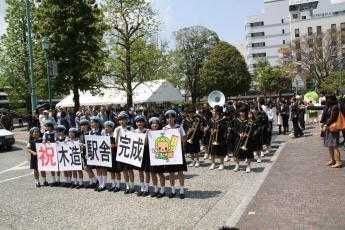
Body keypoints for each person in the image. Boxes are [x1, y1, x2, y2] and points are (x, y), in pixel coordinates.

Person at [163, 110, 187, 199]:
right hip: (169, 153)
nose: (170, 119)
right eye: (168, 118)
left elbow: (184, 138)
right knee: (171, 172)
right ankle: (173, 190)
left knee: (180, 172)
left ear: (174, 118)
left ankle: (181, 190)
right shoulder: (164, 128)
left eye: (171, 117)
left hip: (178, 152)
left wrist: (182, 144)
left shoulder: (179, 127)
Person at [114, 111, 135, 194]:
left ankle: (132, 186)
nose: (121, 121)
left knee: (130, 170)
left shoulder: (131, 128)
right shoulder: (117, 129)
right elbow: (115, 142)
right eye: (120, 120)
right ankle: (127, 186)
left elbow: (134, 139)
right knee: (124, 170)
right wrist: (118, 133)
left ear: (127, 120)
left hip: (129, 152)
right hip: (121, 152)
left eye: (123, 119)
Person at [321, 95, 342, 168]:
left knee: (334, 145)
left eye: (328, 99)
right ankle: (332, 160)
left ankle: (338, 162)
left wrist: (326, 124)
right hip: (329, 127)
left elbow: (333, 118)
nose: (327, 100)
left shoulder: (335, 107)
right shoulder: (329, 106)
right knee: (330, 145)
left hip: (333, 128)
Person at [148, 117, 166, 198]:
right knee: (152, 173)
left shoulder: (163, 132)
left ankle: (162, 190)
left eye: (156, 123)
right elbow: (145, 144)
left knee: (160, 173)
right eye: (152, 123)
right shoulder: (148, 132)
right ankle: (155, 189)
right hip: (151, 155)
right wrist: (146, 135)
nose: (154, 125)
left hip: (159, 156)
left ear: (159, 124)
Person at [232, 106, 254, 173]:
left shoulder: (249, 121)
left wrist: (248, 134)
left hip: (247, 139)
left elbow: (253, 129)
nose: (241, 113)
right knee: (237, 152)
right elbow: (234, 129)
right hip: (239, 138)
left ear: (246, 112)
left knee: (248, 152)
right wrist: (239, 133)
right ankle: (237, 165)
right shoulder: (236, 120)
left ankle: (248, 166)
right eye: (240, 112)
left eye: (243, 112)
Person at [134, 115, 151, 197]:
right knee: (140, 171)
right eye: (137, 122)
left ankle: (147, 188)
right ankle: (142, 187)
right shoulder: (134, 131)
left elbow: (148, 143)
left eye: (141, 121)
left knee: (147, 171)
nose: (139, 123)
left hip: (146, 153)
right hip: (138, 153)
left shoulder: (147, 131)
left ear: (144, 122)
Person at [79, 118, 98, 189]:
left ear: (88, 125)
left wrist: (83, 145)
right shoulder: (81, 134)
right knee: (86, 168)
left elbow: (92, 144)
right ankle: (92, 181)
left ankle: (95, 180)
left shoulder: (90, 133)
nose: (82, 126)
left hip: (90, 153)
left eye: (84, 125)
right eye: (81, 125)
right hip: (83, 152)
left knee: (87, 167)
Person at [208, 105, 228, 170]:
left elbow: (225, 128)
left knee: (221, 151)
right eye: (213, 111)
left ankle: (221, 164)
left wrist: (218, 130)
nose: (212, 112)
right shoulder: (211, 119)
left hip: (220, 137)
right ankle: (213, 163)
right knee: (212, 151)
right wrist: (211, 130)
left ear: (218, 112)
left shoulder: (222, 119)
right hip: (213, 137)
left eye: (214, 111)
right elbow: (209, 127)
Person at [42, 120, 61, 186]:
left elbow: (56, 140)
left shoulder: (55, 133)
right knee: (51, 166)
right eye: (46, 126)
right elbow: (43, 141)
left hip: (55, 150)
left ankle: (58, 179)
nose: (47, 128)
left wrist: (52, 143)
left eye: (48, 126)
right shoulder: (45, 133)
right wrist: (44, 142)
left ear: (51, 127)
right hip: (49, 151)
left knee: (57, 166)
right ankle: (53, 180)